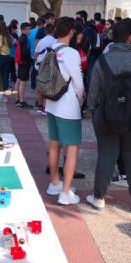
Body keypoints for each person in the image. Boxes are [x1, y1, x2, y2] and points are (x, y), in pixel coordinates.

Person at [86, 20, 131, 214]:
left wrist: (93, 110)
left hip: (106, 113)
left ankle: (99, 198)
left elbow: (93, 89)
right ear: (130, 38)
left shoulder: (102, 60)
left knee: (106, 155)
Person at [45, 17, 85, 206]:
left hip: (51, 103)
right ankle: (66, 191)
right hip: (67, 105)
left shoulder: (50, 48)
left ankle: (54, 182)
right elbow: (78, 81)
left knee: (54, 143)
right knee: (73, 148)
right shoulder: (70, 53)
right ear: (71, 32)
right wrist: (81, 98)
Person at [34, 23, 56, 114]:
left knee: (40, 87)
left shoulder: (41, 41)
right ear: (54, 30)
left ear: (45, 31)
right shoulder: (55, 41)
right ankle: (47, 107)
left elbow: (36, 54)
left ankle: (40, 106)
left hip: (41, 66)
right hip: (51, 66)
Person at [15, 22, 33, 108]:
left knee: (18, 80)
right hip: (24, 63)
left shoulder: (20, 38)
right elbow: (25, 52)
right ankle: (21, 102)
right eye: (27, 29)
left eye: (29, 29)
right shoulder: (25, 39)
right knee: (22, 82)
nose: (29, 31)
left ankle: (17, 99)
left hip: (20, 63)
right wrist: (30, 60)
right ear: (23, 30)